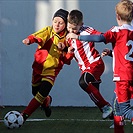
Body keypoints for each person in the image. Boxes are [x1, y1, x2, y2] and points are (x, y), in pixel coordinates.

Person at [67, 0, 133, 132]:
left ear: (118, 17)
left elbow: (100, 38)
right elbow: (126, 54)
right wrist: (110, 53)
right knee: (117, 106)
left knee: (124, 109)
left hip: (122, 76)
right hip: (130, 74)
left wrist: (78, 37)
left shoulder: (117, 31)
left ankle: (109, 111)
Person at [21, 9, 73, 122]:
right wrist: (29, 40)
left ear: (65, 24)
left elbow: (68, 61)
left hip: (52, 71)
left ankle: (23, 116)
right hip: (38, 68)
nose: (57, 25)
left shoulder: (68, 38)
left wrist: (67, 50)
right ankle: (47, 101)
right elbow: (36, 36)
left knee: (42, 93)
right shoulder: (48, 31)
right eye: (55, 21)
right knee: (35, 92)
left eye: (61, 22)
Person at [65, 9, 113, 119]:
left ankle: (106, 107)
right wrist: (66, 50)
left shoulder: (87, 30)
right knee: (95, 95)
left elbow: (101, 36)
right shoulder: (67, 36)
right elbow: (69, 54)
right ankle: (115, 119)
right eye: (70, 27)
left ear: (81, 24)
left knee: (83, 82)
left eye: (74, 28)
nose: (72, 30)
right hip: (84, 68)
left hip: (95, 63)